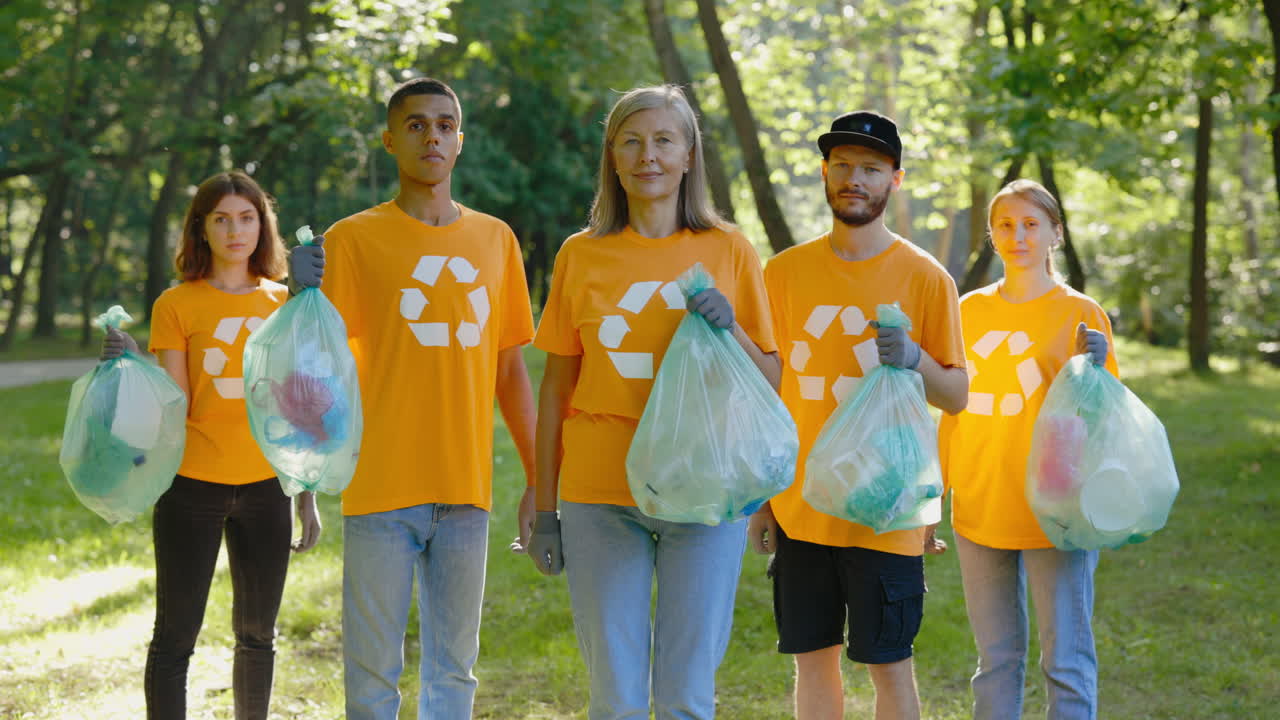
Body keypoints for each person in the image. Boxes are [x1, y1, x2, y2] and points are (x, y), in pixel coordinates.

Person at [525, 84, 780, 719]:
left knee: (687, 689)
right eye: (632, 142)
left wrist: (734, 329)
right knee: (615, 692)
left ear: (690, 155)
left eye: (664, 140)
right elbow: (556, 389)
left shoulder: (729, 251)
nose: (649, 156)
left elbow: (770, 377)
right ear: (612, 158)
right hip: (600, 493)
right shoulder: (580, 256)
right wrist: (548, 507)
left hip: (703, 489)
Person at [288, 77, 537, 719]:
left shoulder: (496, 241)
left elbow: (511, 371)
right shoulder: (352, 240)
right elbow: (309, 370)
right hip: (379, 489)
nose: (433, 136)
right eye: (418, 124)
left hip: (465, 490)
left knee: (455, 674)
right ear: (390, 140)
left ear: (461, 141)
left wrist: (541, 481)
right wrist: (307, 482)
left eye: (446, 125)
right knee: (372, 677)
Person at [748, 111, 968, 720]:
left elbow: (956, 393)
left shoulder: (927, 279)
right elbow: (770, 391)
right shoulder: (783, 273)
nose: (855, 179)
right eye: (842, 166)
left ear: (894, 180)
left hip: (887, 505)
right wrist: (767, 500)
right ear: (824, 173)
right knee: (812, 660)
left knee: (890, 664)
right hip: (801, 506)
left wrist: (917, 358)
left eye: (871, 169)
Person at [101, 170, 322, 720]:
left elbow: (298, 404)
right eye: (220, 219)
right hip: (191, 486)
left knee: (257, 634)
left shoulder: (285, 301)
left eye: (246, 218)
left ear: (262, 226)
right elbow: (172, 403)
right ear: (201, 229)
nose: (234, 230)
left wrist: (306, 493)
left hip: (266, 486)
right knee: (175, 636)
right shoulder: (177, 304)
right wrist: (128, 367)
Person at [937, 178, 1117, 720]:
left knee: (1065, 659)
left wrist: (1099, 364)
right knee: (995, 658)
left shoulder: (1079, 314)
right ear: (992, 235)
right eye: (1006, 225)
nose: (1018, 236)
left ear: (1055, 234)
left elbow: (1103, 419)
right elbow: (949, 410)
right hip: (980, 501)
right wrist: (935, 492)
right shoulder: (966, 312)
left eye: (1031, 224)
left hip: (1054, 509)